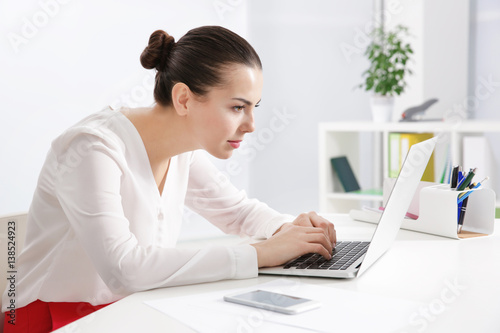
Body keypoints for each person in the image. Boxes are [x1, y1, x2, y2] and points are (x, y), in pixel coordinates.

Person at [2, 26, 336, 332]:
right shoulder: (92, 148)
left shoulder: (182, 150)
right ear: (184, 99)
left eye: (254, 108)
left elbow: (237, 211)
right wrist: (261, 254)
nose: (251, 125)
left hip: (126, 312)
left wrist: (289, 231)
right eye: (237, 107)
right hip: (50, 320)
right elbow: (124, 269)